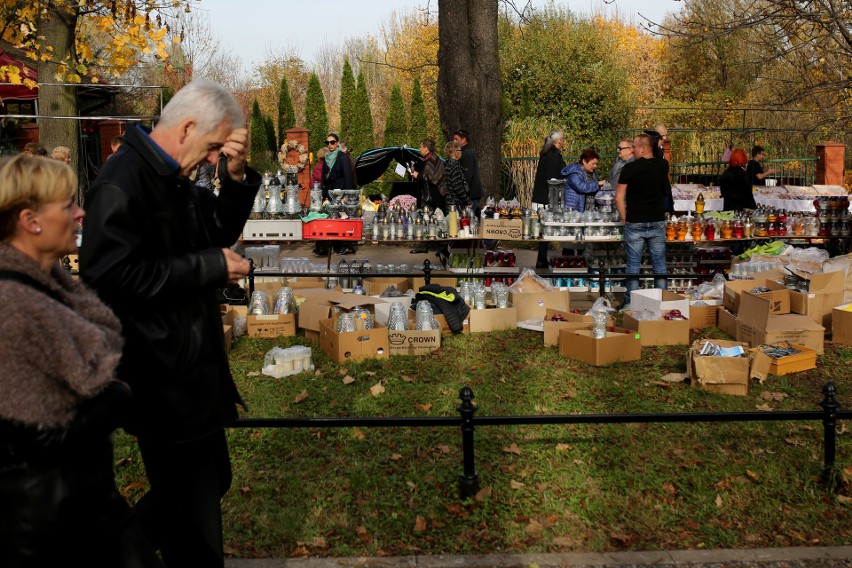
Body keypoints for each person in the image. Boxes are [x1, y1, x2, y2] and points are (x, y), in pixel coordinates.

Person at [79, 78, 260, 568]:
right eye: (209, 148)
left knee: (206, 484)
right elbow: (108, 278)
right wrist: (210, 268)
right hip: (160, 374)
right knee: (193, 519)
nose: (208, 160)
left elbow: (215, 231)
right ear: (185, 128)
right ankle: (111, 555)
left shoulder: (167, 176)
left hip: (189, 368)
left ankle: (115, 552)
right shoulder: (124, 180)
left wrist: (236, 174)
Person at [0, 155, 162, 567]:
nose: (80, 212)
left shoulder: (49, 284)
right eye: (68, 204)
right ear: (31, 221)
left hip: (87, 506)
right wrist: (120, 398)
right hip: (46, 527)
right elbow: (33, 438)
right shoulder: (12, 307)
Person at [616, 133, 670, 308]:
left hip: (635, 220)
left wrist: (625, 219)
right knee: (659, 263)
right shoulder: (663, 165)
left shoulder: (629, 168)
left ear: (643, 148)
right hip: (656, 219)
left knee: (633, 264)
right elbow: (665, 191)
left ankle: (630, 303)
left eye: (634, 147)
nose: (632, 151)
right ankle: (661, 301)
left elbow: (619, 197)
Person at [314, 132, 355, 256]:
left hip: (341, 193)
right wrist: (322, 194)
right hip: (329, 194)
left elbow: (348, 176)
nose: (330, 145)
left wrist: (348, 194)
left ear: (337, 143)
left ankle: (343, 246)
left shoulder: (343, 157)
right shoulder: (327, 158)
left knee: (341, 220)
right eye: (327, 143)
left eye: (332, 142)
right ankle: (324, 247)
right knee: (327, 220)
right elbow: (323, 177)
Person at [530, 129, 566, 268]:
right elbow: (553, 179)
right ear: (559, 141)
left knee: (544, 230)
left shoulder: (548, 154)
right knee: (545, 229)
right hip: (546, 198)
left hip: (543, 196)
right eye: (562, 139)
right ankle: (542, 258)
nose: (563, 142)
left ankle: (542, 257)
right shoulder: (552, 155)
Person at [561, 148, 605, 212]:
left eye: (596, 164)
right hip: (574, 210)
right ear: (584, 161)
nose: (595, 166)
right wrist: (598, 183)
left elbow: (593, 189)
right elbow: (582, 187)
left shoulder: (593, 174)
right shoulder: (574, 172)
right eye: (593, 163)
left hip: (589, 211)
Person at [411, 137, 446, 212]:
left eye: (421, 147)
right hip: (439, 193)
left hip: (434, 195)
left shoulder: (429, 161)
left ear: (426, 149)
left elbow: (430, 177)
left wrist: (418, 175)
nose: (420, 149)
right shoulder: (436, 158)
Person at [719, 147, 756, 212]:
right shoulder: (744, 175)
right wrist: (754, 209)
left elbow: (723, 193)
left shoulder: (724, 174)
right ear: (743, 159)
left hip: (728, 209)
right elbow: (748, 195)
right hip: (741, 211)